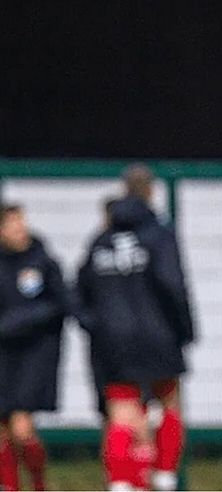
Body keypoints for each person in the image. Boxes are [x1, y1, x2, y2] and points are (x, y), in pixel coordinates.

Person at [77, 180, 194, 492]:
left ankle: (122, 481)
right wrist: (185, 330)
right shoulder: (158, 235)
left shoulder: (100, 241)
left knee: (121, 413)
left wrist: (97, 327)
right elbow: (173, 284)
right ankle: (165, 475)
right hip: (159, 336)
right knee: (168, 401)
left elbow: (80, 293)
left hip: (113, 343)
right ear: (150, 194)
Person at [0, 204, 70, 492]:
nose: (20, 229)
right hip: (3, 356)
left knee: (21, 428)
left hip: (33, 355)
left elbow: (61, 302)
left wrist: (21, 321)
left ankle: (39, 484)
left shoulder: (42, 261)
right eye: (12, 224)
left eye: (21, 222)